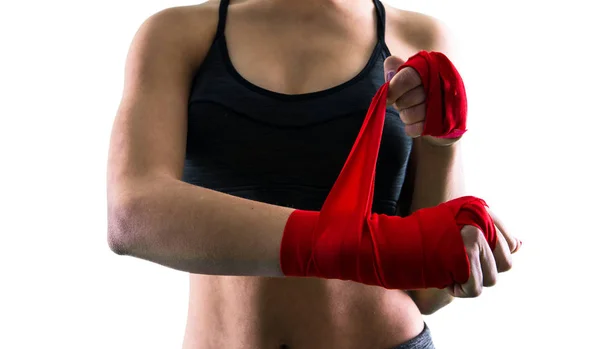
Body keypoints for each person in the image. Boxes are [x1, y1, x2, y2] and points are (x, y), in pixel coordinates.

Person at [106, 0, 521, 348]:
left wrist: (443, 143)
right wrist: (344, 245)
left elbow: (429, 292)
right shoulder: (177, 33)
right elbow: (131, 213)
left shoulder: (420, 37)